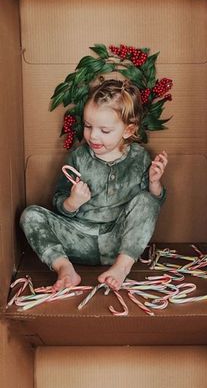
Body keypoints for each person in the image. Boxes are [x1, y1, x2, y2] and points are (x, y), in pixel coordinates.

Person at [20, 78, 167, 292]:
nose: (93, 136)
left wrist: (155, 183)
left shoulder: (139, 158)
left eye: (104, 130)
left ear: (128, 130)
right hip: (78, 239)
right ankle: (65, 268)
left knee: (146, 200)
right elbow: (58, 203)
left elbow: (150, 209)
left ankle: (122, 268)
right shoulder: (79, 157)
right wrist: (72, 202)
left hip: (118, 242)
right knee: (30, 215)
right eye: (88, 126)